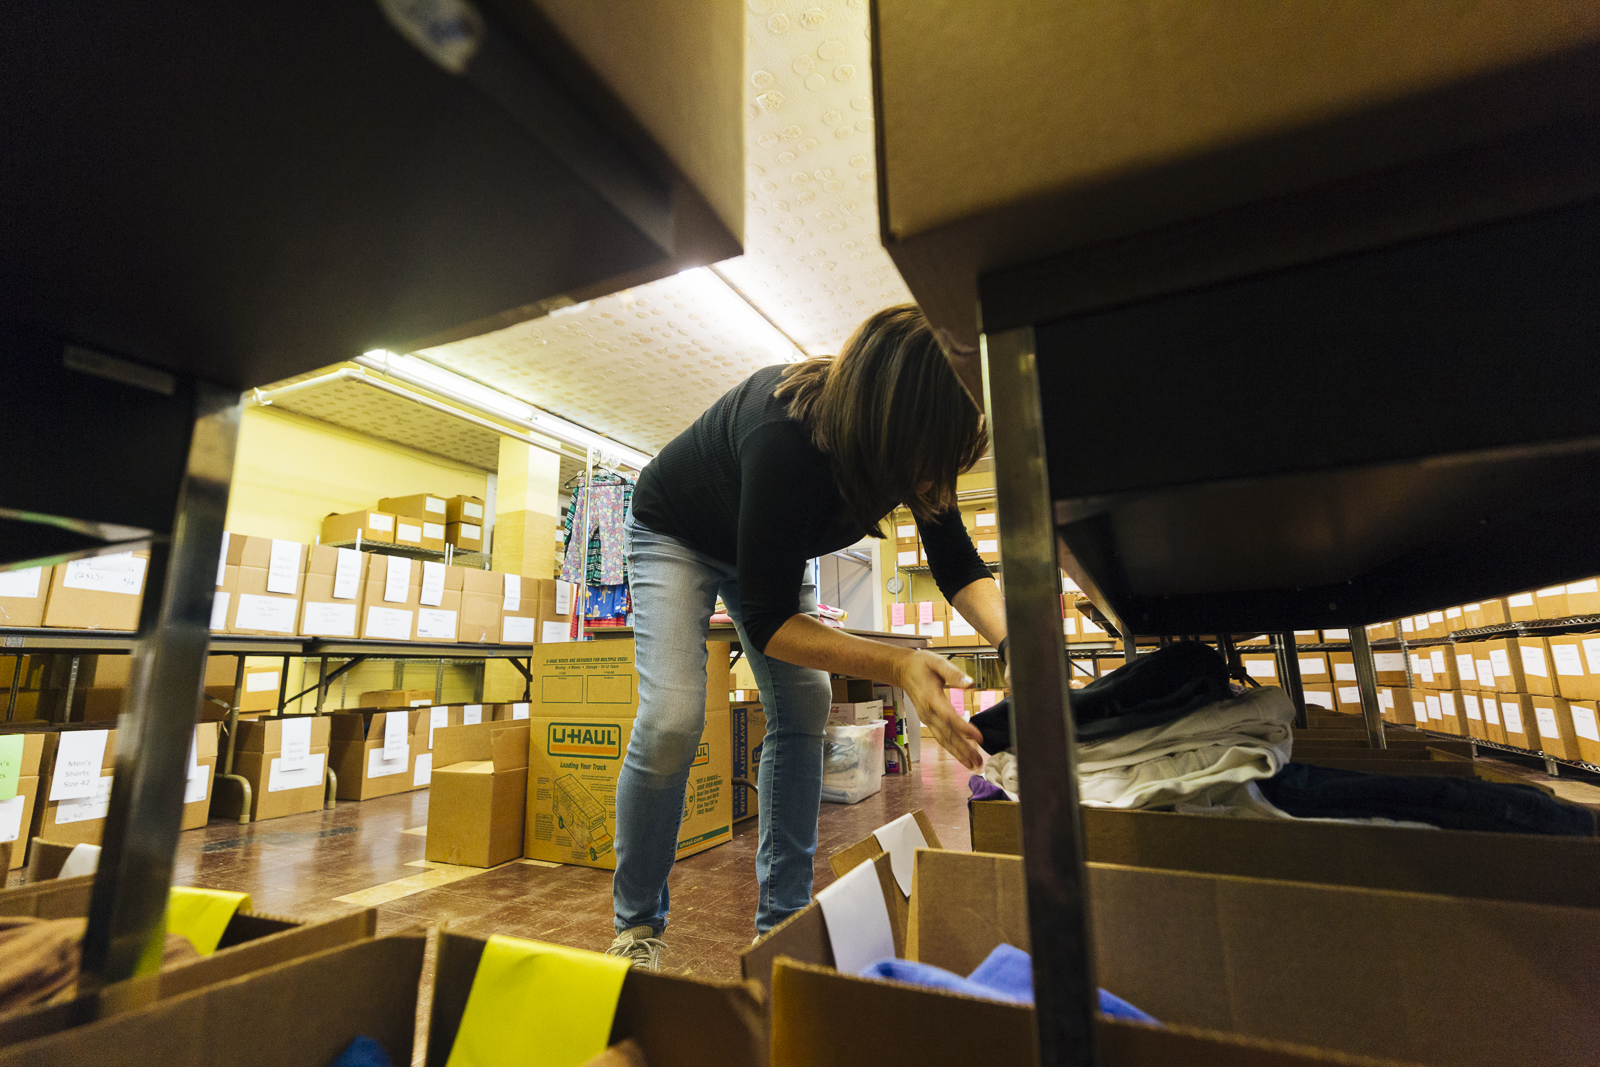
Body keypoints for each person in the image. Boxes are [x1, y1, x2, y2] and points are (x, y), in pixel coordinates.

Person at [605, 305, 1010, 971]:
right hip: (676, 531)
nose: (937, 484)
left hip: (763, 549)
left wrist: (1013, 643)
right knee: (674, 717)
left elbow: (957, 560)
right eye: (930, 463)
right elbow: (768, 622)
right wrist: (901, 663)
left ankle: (782, 923)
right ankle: (637, 926)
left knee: (805, 706)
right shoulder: (786, 437)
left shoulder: (908, 449)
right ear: (888, 426)